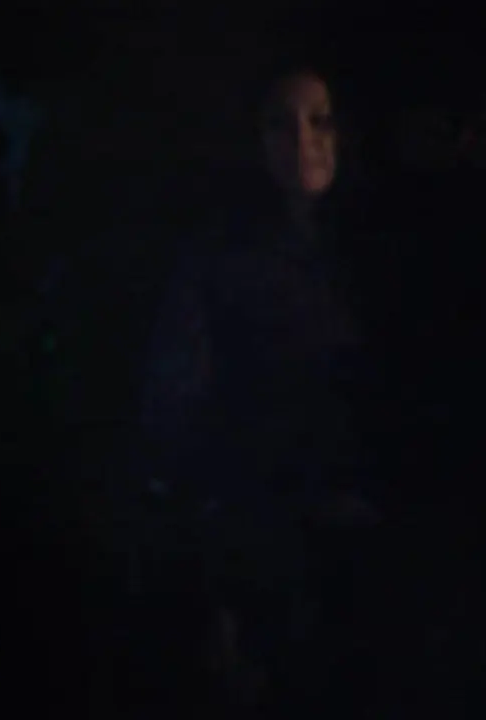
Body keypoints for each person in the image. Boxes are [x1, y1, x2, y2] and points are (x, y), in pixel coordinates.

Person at [131, 61, 385, 717]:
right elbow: (178, 407)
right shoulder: (218, 255)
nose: (302, 141)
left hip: (369, 543)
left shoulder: (377, 252)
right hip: (263, 540)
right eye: (280, 124)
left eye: (320, 122)